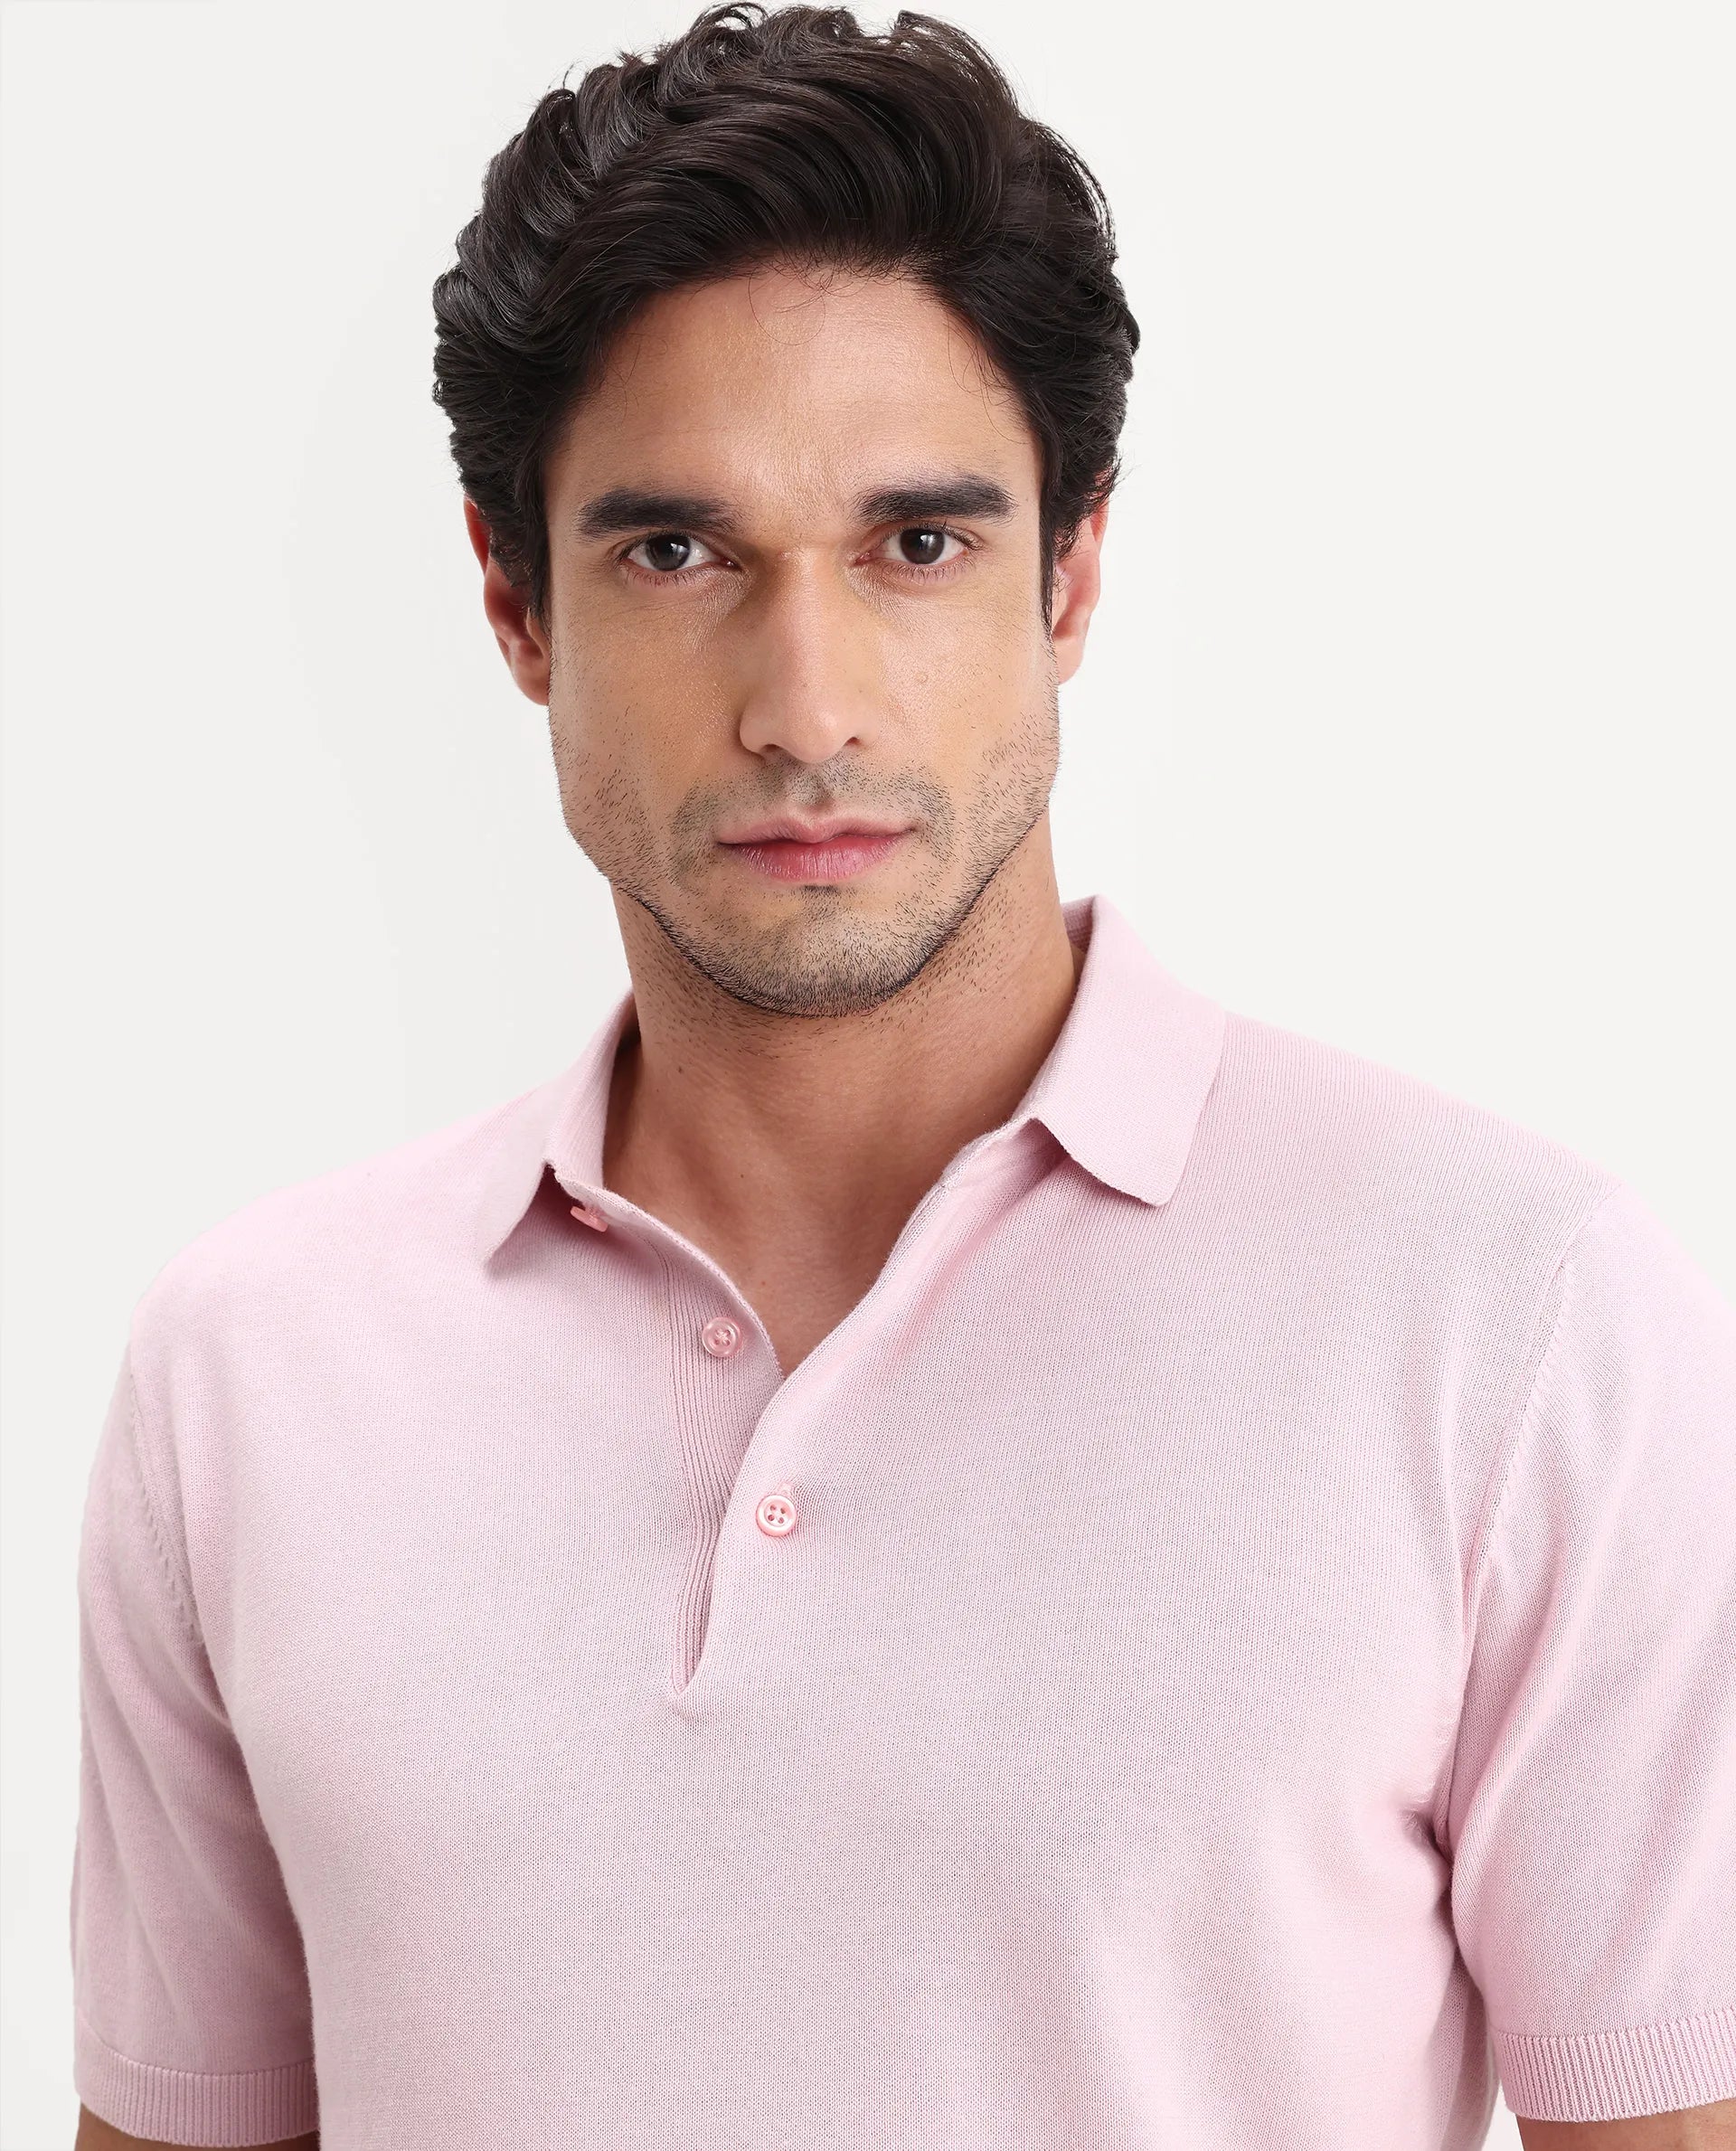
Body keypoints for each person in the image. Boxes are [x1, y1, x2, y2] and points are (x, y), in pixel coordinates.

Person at [70, 6, 1736, 2147]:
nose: (807, 702)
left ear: (1073, 571)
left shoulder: (1511, 1318)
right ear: (513, 600)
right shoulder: (251, 1371)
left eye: (916, 546)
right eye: (677, 552)